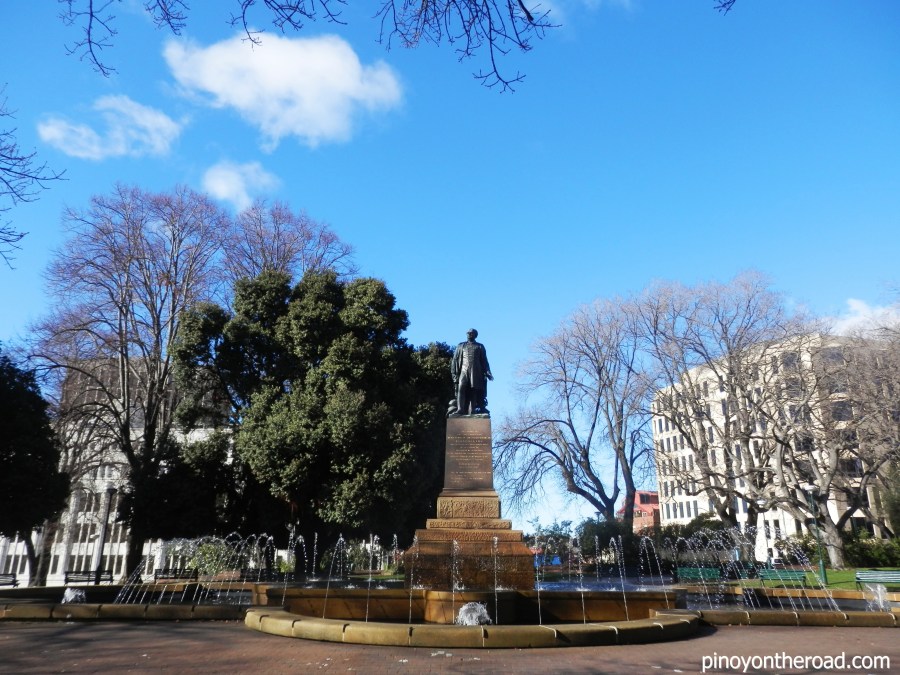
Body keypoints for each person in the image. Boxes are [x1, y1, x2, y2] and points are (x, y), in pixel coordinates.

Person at [450, 328, 493, 416]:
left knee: (474, 390)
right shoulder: (461, 345)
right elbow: (455, 360)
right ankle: (460, 409)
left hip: (476, 371)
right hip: (463, 370)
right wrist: (454, 373)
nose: (469, 334)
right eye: (468, 333)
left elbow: (484, 361)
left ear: (475, 335)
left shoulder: (480, 346)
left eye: (471, 333)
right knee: (461, 388)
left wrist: (488, 372)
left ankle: (473, 410)